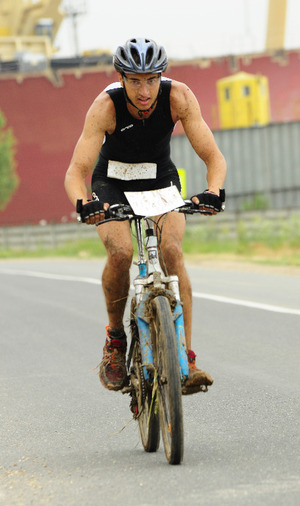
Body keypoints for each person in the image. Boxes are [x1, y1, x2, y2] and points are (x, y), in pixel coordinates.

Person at [64, 37, 227, 394]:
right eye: (135, 80)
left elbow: (214, 157)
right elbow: (76, 170)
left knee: (172, 252)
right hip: (113, 182)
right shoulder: (105, 107)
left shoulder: (179, 98)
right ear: (121, 78)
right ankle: (116, 341)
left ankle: (185, 358)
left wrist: (214, 192)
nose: (144, 89)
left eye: (151, 79)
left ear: (161, 78)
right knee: (121, 252)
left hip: (159, 178)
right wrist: (84, 203)